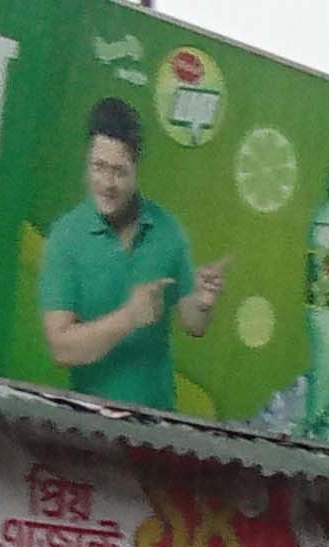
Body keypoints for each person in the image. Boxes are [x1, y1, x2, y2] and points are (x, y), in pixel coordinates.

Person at [38, 97, 230, 411]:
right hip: (87, 422)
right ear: (87, 160)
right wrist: (129, 317)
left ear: (136, 168)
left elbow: (193, 324)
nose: (107, 183)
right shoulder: (65, 238)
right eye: (98, 167)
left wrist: (205, 303)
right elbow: (62, 348)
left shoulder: (168, 231)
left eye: (119, 171)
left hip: (157, 425)